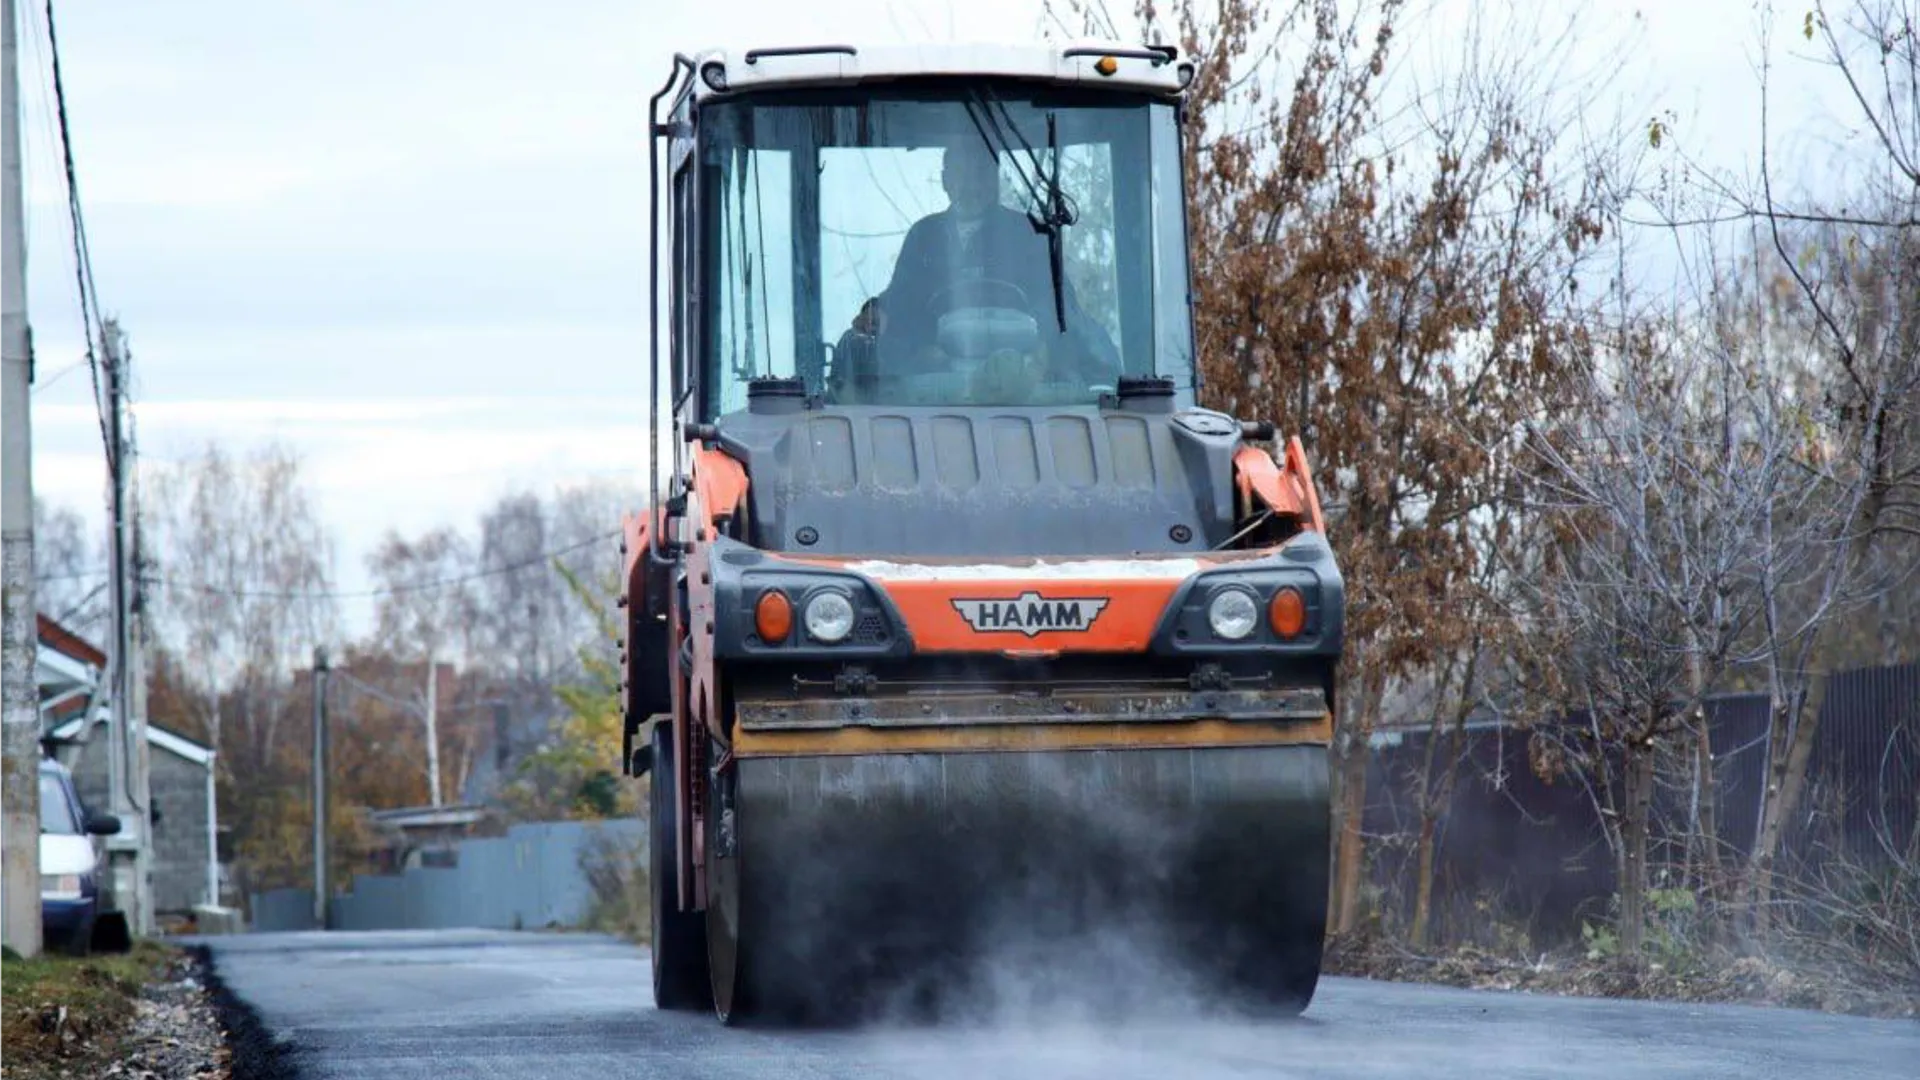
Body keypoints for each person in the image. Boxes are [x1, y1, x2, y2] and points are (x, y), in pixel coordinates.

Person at [846, 138, 1119, 388]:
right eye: (961, 174)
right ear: (945, 181)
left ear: (996, 180)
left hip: (1021, 385)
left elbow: (1057, 307)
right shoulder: (923, 235)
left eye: (981, 174)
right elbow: (901, 300)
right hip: (936, 385)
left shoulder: (1028, 232)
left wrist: (1037, 352)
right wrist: (879, 312)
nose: (971, 185)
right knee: (854, 351)